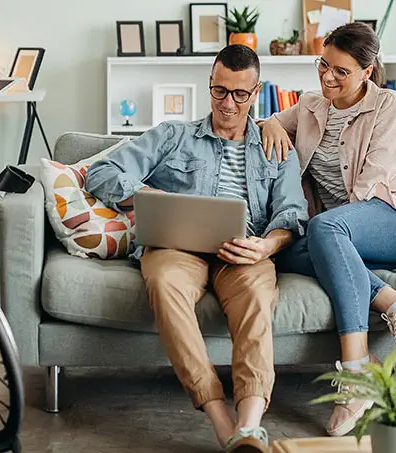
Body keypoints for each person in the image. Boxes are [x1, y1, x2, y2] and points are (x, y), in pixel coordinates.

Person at [85, 44, 308, 452]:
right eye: (219, 91)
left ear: (256, 93)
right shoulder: (174, 135)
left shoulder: (276, 147)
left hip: (243, 250)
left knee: (258, 296)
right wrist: (145, 195)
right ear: (209, 85)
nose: (228, 103)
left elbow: (292, 213)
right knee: (165, 284)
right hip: (176, 246)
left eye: (240, 94)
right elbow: (101, 172)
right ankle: (220, 418)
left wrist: (265, 246)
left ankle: (251, 426)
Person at [256, 22, 396, 437]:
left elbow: (365, 191)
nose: (327, 77)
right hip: (343, 232)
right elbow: (267, 124)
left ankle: (355, 374)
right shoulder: (308, 106)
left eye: (341, 71)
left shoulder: (390, 106)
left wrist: (329, 231)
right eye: (324, 65)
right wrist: (269, 123)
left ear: (367, 71)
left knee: (323, 230)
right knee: (286, 248)